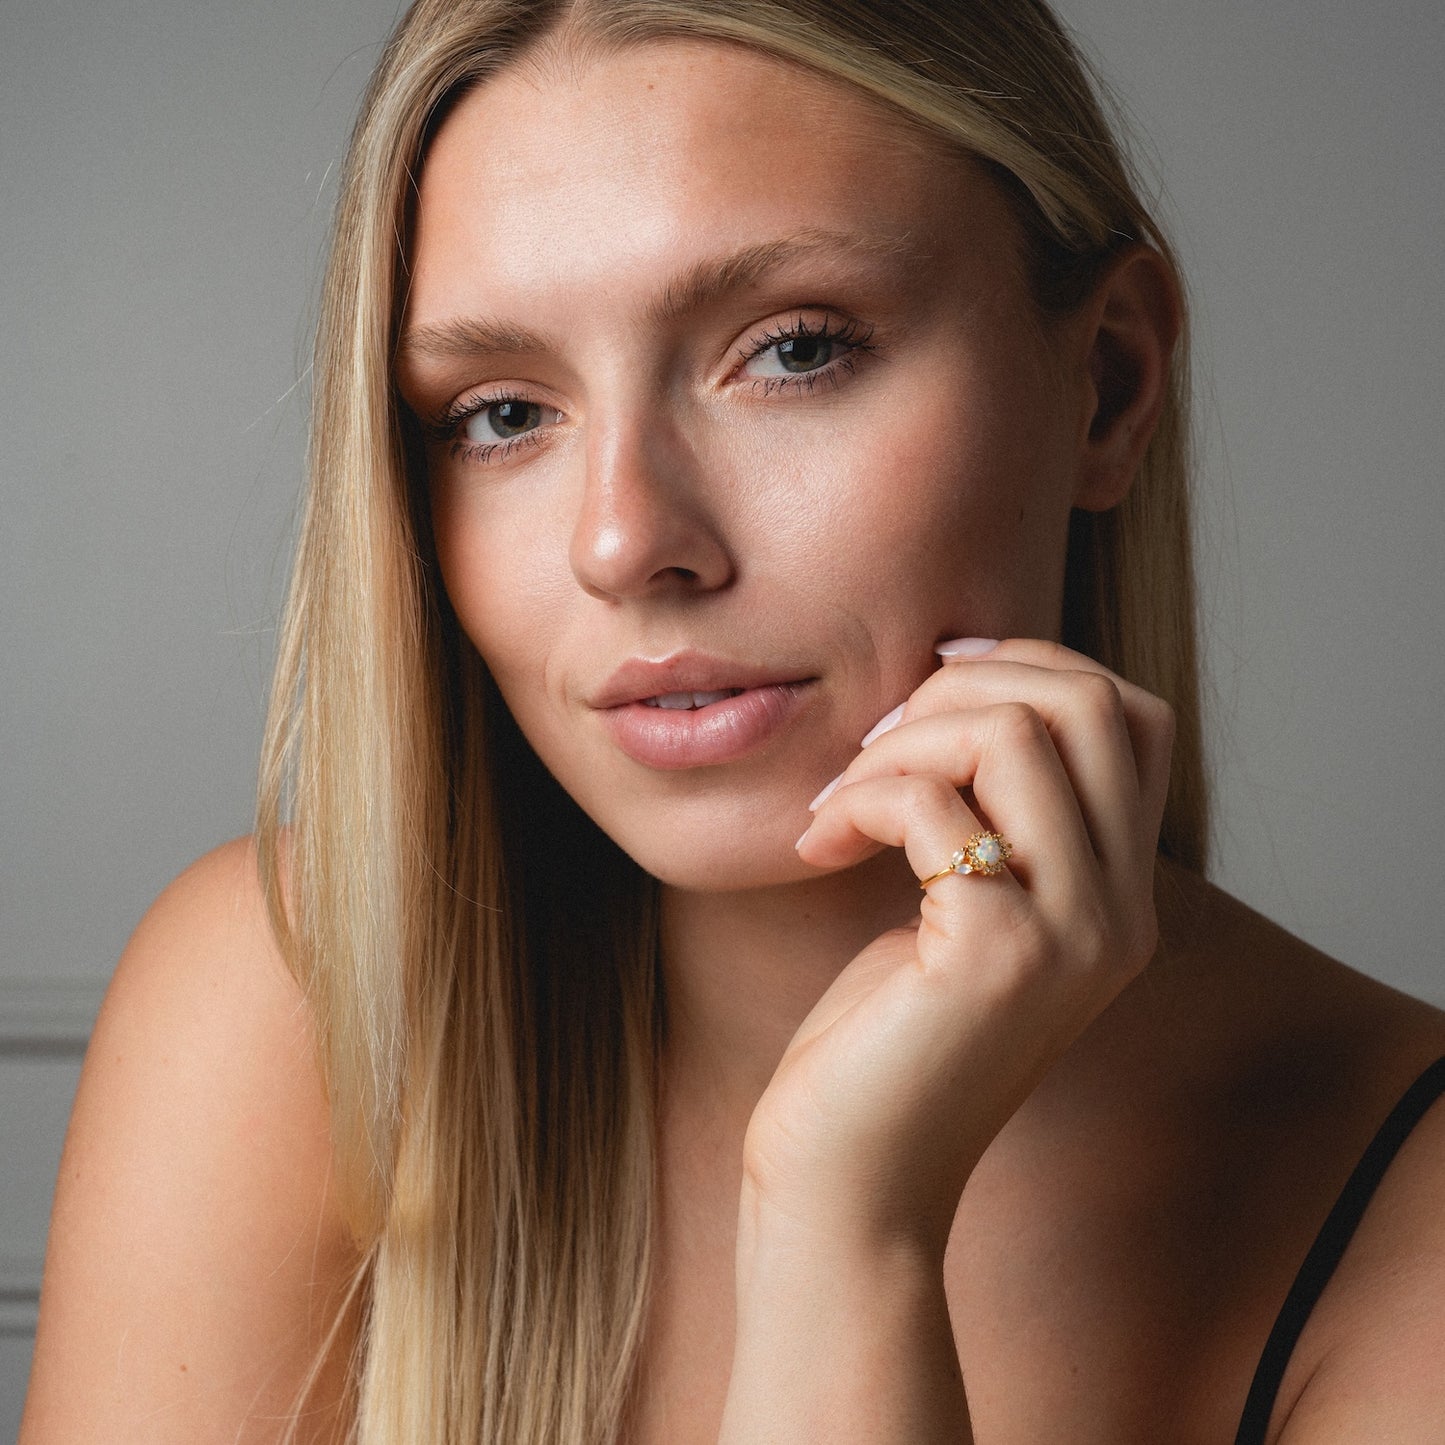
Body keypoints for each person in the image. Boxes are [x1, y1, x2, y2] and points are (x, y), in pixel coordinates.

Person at [20, 0, 1445, 1440]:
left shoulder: (1407, 1205)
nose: (625, 540)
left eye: (793, 350)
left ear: (1107, 384)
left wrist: (844, 1225)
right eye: (503, 413)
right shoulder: (282, 1013)